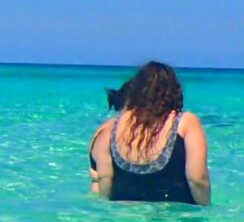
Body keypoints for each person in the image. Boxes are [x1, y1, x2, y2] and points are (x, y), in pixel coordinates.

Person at [88, 61, 211, 205]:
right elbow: (197, 179)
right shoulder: (186, 122)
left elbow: (104, 185)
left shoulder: (107, 130)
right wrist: (206, 212)